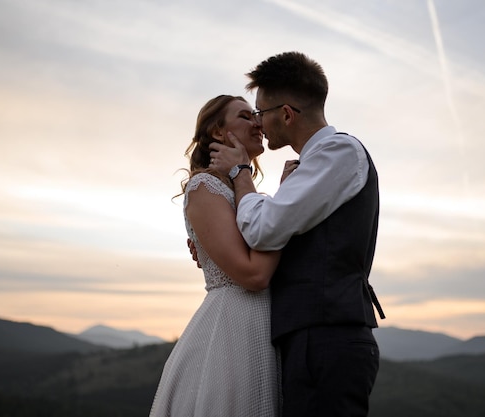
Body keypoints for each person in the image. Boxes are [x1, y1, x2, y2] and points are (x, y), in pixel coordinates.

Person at [208, 51, 385, 417]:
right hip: (311, 337)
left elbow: (262, 229)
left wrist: (242, 172)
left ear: (286, 114)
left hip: (327, 339)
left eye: (260, 113)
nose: (258, 123)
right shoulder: (311, 167)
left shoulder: (338, 152)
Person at [149, 95, 282, 417]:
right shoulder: (205, 187)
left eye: (256, 116)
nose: (258, 123)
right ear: (219, 133)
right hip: (234, 327)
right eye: (245, 116)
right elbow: (252, 275)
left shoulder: (247, 194)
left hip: (271, 323)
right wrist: (284, 218)